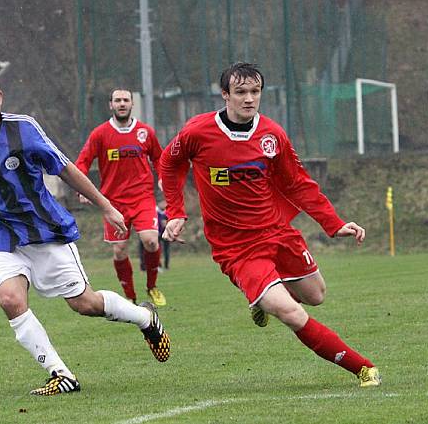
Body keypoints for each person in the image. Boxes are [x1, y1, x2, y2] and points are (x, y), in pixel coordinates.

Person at [0, 68, 170, 396]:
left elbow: (65, 168)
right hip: (2, 238)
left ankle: (144, 318)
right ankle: (61, 373)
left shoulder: (23, 129)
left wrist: (106, 206)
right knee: (10, 299)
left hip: (45, 232)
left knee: (85, 303)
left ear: (1, 96)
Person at [158, 62, 380, 387]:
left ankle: (260, 297)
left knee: (316, 295)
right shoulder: (197, 132)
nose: (249, 99)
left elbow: (298, 184)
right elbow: (169, 162)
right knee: (290, 312)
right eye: (241, 92)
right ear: (225, 95)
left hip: (276, 232)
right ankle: (363, 368)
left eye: (255, 91)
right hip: (236, 248)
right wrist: (176, 211)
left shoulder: (272, 135)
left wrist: (334, 223)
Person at [75, 89, 167, 306]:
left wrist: (163, 178)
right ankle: (130, 297)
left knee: (151, 241)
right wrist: (81, 187)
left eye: (126, 100)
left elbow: (159, 158)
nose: (122, 103)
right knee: (119, 249)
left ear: (132, 104)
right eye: (118, 100)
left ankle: (152, 286)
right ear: (111, 105)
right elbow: (82, 161)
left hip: (142, 197)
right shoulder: (100, 134)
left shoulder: (145, 132)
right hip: (113, 202)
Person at [140, 203, 170, 271]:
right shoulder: (155, 211)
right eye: (163, 203)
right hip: (156, 234)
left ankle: (166, 265)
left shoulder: (166, 211)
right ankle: (156, 265)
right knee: (154, 249)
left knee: (165, 250)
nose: (164, 204)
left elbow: (166, 223)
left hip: (165, 233)